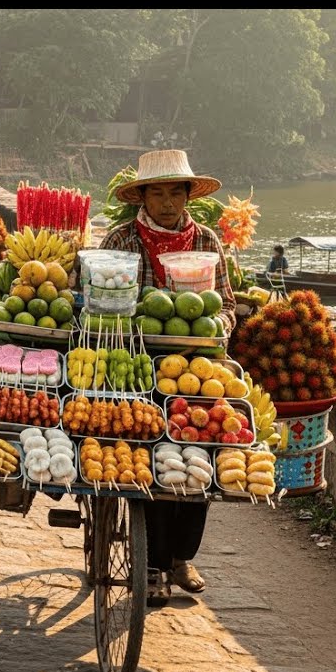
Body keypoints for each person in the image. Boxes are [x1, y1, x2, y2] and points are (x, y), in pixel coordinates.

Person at [102, 148, 235, 605]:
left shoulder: (207, 243)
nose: (165, 202)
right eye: (155, 193)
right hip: (135, 365)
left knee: (202, 456)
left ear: (186, 196)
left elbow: (228, 304)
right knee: (153, 455)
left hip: (198, 369)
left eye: (173, 192)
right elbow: (98, 299)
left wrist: (217, 329)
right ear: (142, 196)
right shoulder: (121, 241)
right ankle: (154, 563)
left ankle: (181, 556)